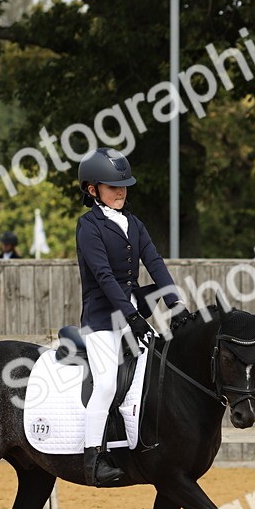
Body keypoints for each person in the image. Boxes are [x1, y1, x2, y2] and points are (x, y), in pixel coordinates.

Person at [75, 147, 189, 487]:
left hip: (132, 310)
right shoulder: (88, 227)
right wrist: (134, 318)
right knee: (108, 382)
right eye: (113, 186)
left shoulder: (134, 224)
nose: (121, 191)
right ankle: (93, 458)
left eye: (124, 185)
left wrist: (175, 305)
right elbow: (105, 277)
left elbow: (155, 264)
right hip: (101, 319)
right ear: (92, 189)